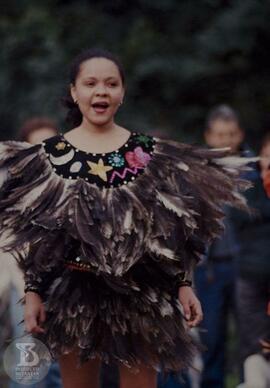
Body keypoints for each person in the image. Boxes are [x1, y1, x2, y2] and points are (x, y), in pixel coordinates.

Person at [0, 48, 252, 388]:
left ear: (123, 92)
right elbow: (37, 236)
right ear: (75, 92)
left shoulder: (149, 154)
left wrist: (183, 284)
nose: (101, 91)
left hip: (142, 294)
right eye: (90, 83)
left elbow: (170, 231)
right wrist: (32, 292)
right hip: (74, 295)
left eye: (111, 83)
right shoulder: (49, 157)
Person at [194, 105, 255, 388]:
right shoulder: (198, 171)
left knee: (249, 336)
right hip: (211, 269)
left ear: (240, 134)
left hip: (246, 265)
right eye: (219, 135)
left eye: (230, 134)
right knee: (212, 338)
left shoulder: (255, 169)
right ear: (208, 136)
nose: (225, 141)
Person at [7, 117, 63, 388]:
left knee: (62, 370)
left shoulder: (71, 189)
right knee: (29, 366)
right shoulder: (13, 192)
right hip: (24, 289)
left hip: (69, 290)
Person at [234, 133, 270, 388]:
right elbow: (241, 218)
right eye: (268, 154)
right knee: (253, 346)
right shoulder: (249, 183)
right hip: (250, 274)